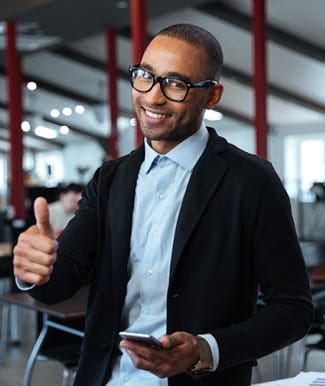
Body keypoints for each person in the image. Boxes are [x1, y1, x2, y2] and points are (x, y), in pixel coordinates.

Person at [13, 23, 313, 386]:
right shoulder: (110, 179)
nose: (153, 97)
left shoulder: (251, 181)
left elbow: (294, 310)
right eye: (145, 76)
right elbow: (63, 280)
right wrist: (34, 271)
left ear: (212, 95)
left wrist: (205, 350)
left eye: (176, 84)